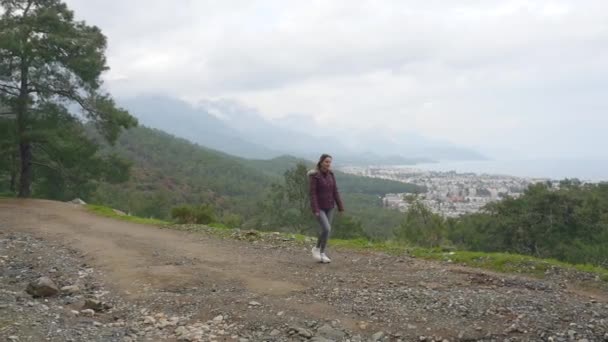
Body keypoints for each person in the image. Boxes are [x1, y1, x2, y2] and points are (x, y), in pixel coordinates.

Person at [308, 154, 344, 263]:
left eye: (330, 162)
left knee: (326, 231)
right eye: (326, 162)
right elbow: (312, 194)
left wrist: (340, 206)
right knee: (327, 228)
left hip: (330, 207)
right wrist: (316, 209)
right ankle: (317, 249)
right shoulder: (315, 176)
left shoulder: (331, 175)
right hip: (320, 208)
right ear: (321, 162)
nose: (328, 164)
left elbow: (335, 191)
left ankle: (322, 252)